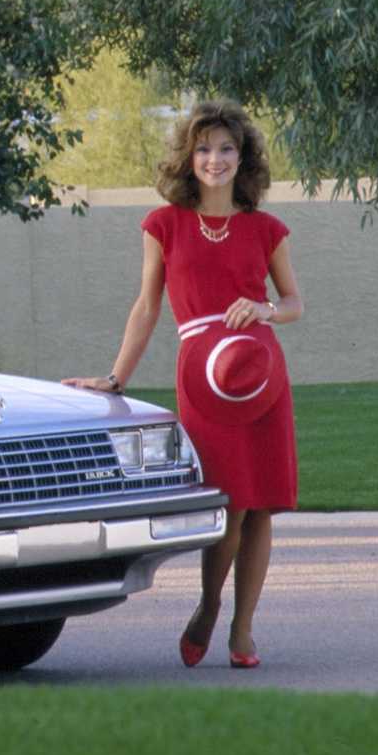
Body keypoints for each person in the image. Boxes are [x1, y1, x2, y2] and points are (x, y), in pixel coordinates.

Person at [65, 100, 303, 669]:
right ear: (187, 157)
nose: (214, 159)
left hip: (259, 376)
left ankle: (243, 630)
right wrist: (116, 376)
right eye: (203, 149)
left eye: (226, 149)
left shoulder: (266, 229)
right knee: (230, 503)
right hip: (202, 378)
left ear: (241, 158)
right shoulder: (163, 224)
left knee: (261, 505)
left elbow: (295, 304)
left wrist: (264, 309)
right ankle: (208, 605)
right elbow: (147, 307)